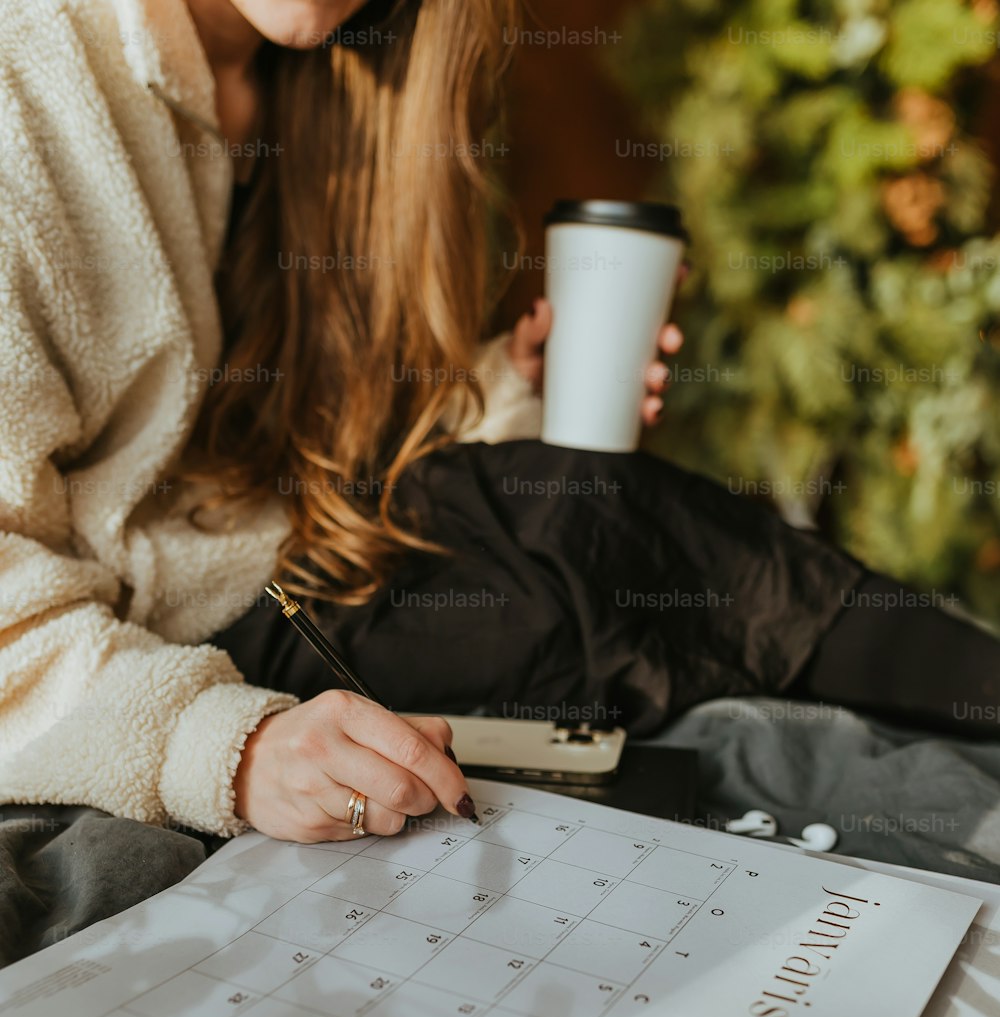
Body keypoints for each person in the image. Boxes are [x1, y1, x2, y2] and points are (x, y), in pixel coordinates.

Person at [1, 0, 997, 859]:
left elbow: (263, 452)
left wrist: (500, 391)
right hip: (154, 655)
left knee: (590, 511)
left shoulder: (330, 84)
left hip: (278, 570)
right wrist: (224, 748)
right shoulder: (28, 97)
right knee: (609, 541)